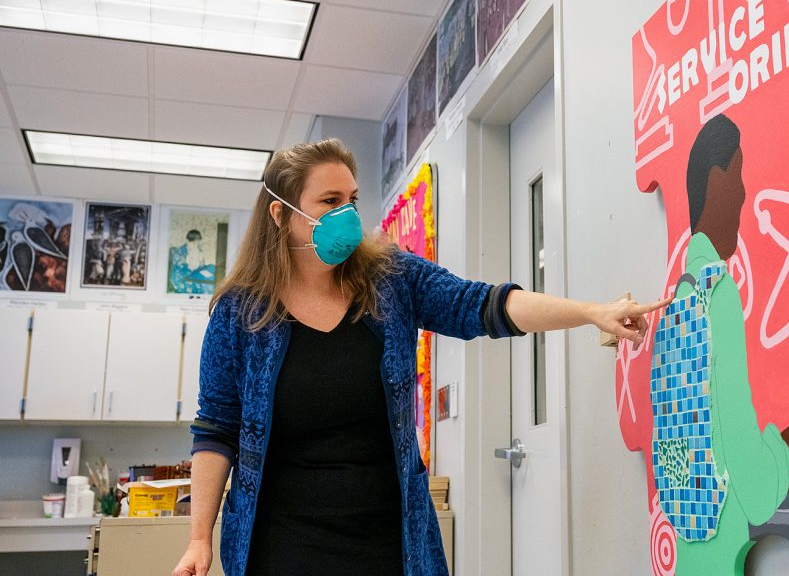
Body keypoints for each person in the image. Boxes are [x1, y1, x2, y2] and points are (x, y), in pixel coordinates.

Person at [172, 138, 665, 576]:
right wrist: (199, 539)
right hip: (280, 543)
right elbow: (216, 430)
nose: (347, 214)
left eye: (352, 200)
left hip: (388, 540)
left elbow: (481, 305)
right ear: (280, 215)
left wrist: (591, 313)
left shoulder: (391, 279)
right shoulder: (240, 313)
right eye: (329, 201)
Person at [666, 115, 789, 574]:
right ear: (718, 179)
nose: (745, 195)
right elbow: (756, 485)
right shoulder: (717, 294)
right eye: (740, 176)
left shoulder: (681, 295)